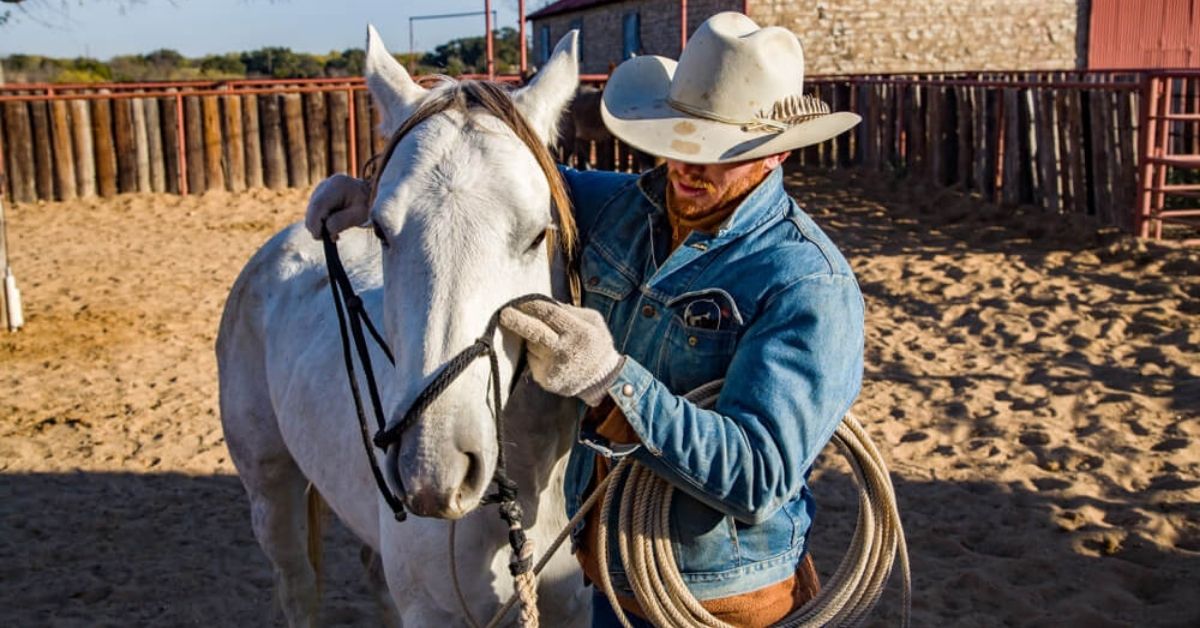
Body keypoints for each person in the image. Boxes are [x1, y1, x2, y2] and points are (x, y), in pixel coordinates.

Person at [309, 12, 864, 627]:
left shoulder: (808, 285)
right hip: (610, 574)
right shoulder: (628, 208)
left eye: (717, 150)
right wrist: (385, 192)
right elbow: (486, 178)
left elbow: (757, 476)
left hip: (724, 597)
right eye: (680, 136)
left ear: (774, 151)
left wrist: (612, 377)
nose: (686, 165)